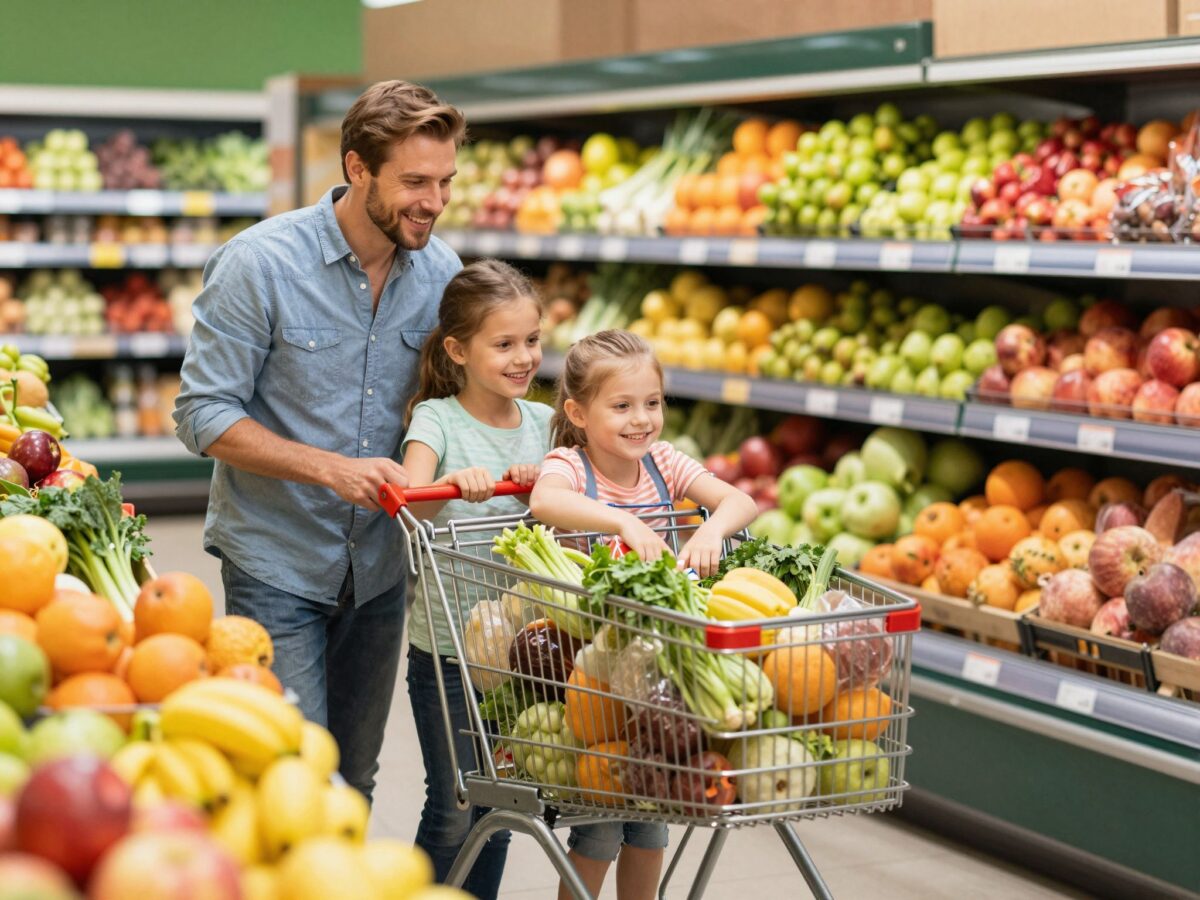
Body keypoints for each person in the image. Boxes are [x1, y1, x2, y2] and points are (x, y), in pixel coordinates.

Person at [173, 80, 466, 802]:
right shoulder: (259, 264)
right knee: (292, 777)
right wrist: (329, 469)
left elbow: (455, 409)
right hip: (278, 560)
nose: (433, 201)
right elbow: (202, 414)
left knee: (355, 776)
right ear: (358, 168)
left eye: (446, 182)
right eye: (415, 182)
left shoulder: (443, 276)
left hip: (379, 568)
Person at [529, 329, 757, 900]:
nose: (641, 420)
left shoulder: (663, 461)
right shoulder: (571, 466)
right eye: (622, 406)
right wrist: (623, 521)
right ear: (578, 412)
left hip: (656, 672)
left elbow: (741, 500)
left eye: (652, 403)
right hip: (591, 674)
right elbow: (543, 501)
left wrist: (710, 526)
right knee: (601, 824)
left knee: (651, 819)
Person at [400, 258, 552, 898]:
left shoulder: (547, 426)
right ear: (458, 350)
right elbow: (410, 495)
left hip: (524, 649)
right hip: (449, 650)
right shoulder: (439, 419)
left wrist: (542, 493)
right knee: (455, 802)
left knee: (502, 805)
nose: (523, 358)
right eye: (505, 344)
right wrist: (450, 485)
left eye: (533, 341)